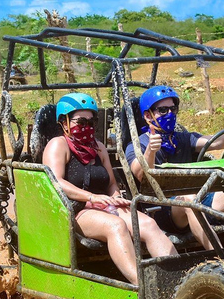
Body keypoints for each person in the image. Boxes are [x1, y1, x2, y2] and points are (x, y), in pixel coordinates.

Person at [43, 93, 177, 284]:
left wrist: (115, 196)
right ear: (64, 123)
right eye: (80, 121)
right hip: (74, 209)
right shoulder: (58, 145)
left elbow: (111, 183)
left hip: (103, 204)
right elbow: (55, 182)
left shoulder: (98, 147)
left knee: (147, 224)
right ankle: (143, 287)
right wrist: (90, 197)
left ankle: (176, 281)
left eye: (91, 122)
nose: (87, 127)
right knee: (116, 226)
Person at [125, 85, 224, 250]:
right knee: (190, 200)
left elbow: (215, 142)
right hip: (162, 208)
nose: (169, 114)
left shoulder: (181, 138)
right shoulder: (138, 144)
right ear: (148, 116)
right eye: (163, 110)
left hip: (195, 198)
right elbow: (140, 174)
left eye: (173, 109)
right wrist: (150, 151)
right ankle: (222, 261)